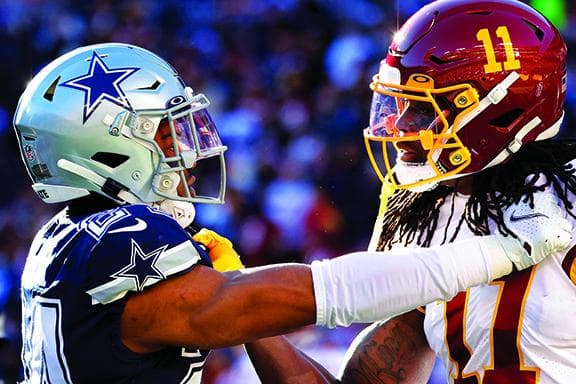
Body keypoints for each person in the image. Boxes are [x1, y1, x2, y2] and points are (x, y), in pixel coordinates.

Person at [13, 42, 570, 383]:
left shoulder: (67, 241)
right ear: (105, 145)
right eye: (166, 130)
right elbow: (312, 294)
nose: (186, 148)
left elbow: (233, 312)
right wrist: (495, 252)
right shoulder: (117, 239)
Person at [338, 0, 576, 383]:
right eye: (402, 104)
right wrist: (252, 322)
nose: (399, 125)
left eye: (422, 109)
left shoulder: (568, 199)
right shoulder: (430, 210)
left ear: (499, 107)